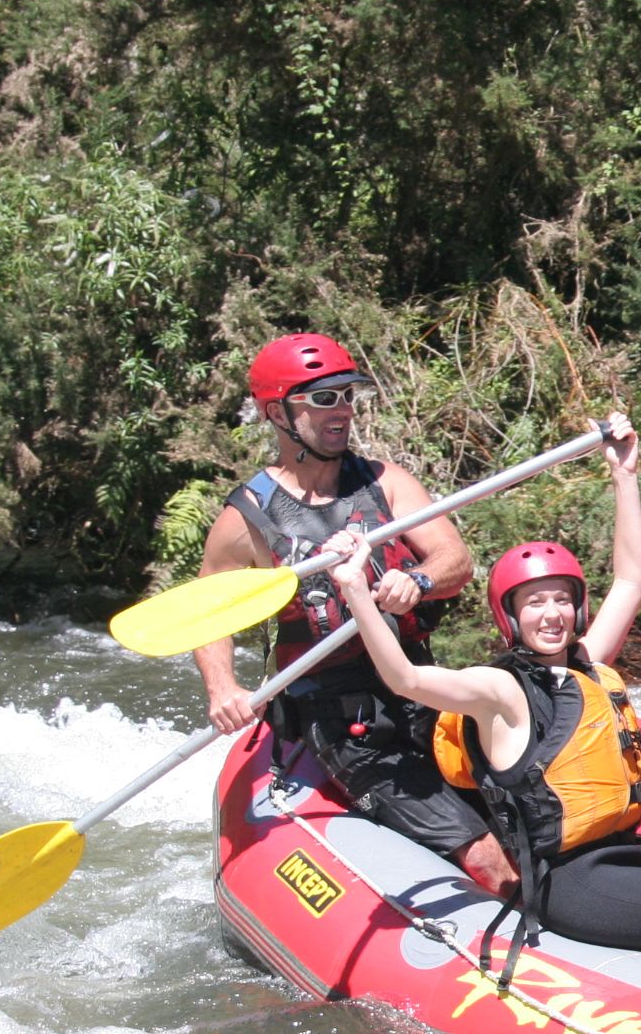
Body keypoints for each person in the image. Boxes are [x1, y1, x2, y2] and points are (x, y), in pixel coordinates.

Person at [328, 416, 641, 957]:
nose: (553, 613)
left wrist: (625, 477)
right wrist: (356, 591)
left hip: (624, 859)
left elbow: (632, 580)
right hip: (575, 885)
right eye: (535, 602)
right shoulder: (500, 690)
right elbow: (407, 678)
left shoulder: (588, 667)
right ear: (510, 618)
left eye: (562, 599)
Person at [191, 332, 511, 890]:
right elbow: (206, 611)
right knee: (484, 856)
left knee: (521, 814)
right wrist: (223, 689)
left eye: (347, 396)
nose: (342, 411)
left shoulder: (385, 483)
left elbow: (454, 559)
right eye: (323, 399)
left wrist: (418, 579)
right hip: (339, 718)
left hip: (420, 687)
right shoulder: (248, 517)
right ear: (278, 413)